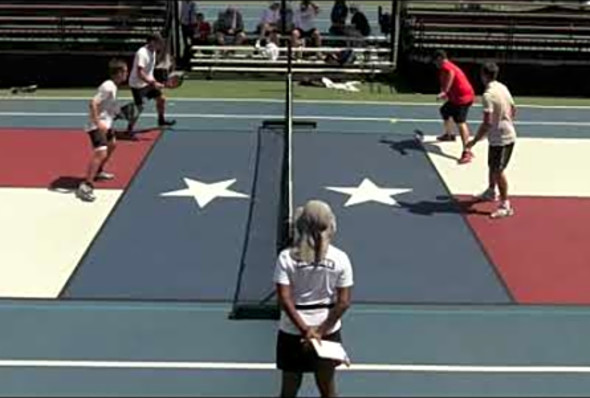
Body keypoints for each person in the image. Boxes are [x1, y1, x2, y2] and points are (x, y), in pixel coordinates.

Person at [274, 200, 354, 398]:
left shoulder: (286, 258)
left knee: (289, 391)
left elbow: (284, 300)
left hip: (293, 333)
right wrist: (319, 332)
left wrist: (306, 332)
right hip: (326, 334)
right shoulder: (341, 258)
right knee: (327, 391)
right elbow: (343, 302)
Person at [466, 62, 517, 219]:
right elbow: (514, 108)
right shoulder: (502, 87)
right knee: (492, 165)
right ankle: (490, 191)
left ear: (483, 75)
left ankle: (505, 205)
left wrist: (473, 141)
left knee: (498, 170)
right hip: (499, 136)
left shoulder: (488, 95)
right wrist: (506, 121)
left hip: (503, 139)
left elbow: (487, 122)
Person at [76, 59, 128, 202]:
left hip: (107, 123)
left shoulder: (113, 87)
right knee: (101, 152)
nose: (127, 74)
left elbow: (109, 105)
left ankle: (98, 171)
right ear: (119, 73)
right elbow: (93, 103)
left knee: (113, 144)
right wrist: (97, 123)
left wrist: (119, 113)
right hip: (97, 125)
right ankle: (86, 186)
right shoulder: (108, 86)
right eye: (125, 71)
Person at [127, 33, 176, 135]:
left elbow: (149, 70)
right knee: (139, 108)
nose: (161, 45)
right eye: (159, 43)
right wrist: (153, 83)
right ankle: (129, 129)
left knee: (161, 99)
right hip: (137, 85)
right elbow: (140, 73)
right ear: (152, 42)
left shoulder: (153, 51)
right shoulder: (142, 53)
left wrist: (154, 82)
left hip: (148, 83)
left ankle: (161, 120)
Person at [433, 49, 475, 164]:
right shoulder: (443, 68)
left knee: (461, 123)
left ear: (440, 59)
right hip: (455, 98)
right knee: (444, 111)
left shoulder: (447, 66)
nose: (435, 64)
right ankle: (449, 135)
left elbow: (451, 74)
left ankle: (467, 151)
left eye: (435, 61)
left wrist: (445, 92)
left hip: (463, 98)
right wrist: (446, 92)